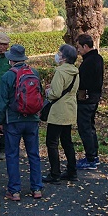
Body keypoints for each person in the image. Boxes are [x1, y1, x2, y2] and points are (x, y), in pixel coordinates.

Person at [0, 44, 44, 201]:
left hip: (14, 120)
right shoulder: (34, 73)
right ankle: (37, 188)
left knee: (12, 154)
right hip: (32, 119)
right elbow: (39, 94)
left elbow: (1, 102)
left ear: (11, 59)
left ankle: (14, 191)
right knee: (34, 154)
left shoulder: (7, 76)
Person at [42, 44, 80, 184]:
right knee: (67, 142)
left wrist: (48, 92)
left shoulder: (60, 72)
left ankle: (55, 173)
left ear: (63, 57)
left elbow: (55, 94)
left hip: (58, 111)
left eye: (59, 53)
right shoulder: (75, 71)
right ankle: (72, 171)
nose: (57, 55)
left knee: (52, 143)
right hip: (70, 109)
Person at [74, 34, 104, 170]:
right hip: (93, 98)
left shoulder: (89, 62)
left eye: (79, 47)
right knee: (90, 128)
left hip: (86, 100)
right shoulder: (97, 58)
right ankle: (94, 156)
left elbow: (83, 82)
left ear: (85, 46)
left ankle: (91, 158)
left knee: (85, 128)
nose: (78, 50)